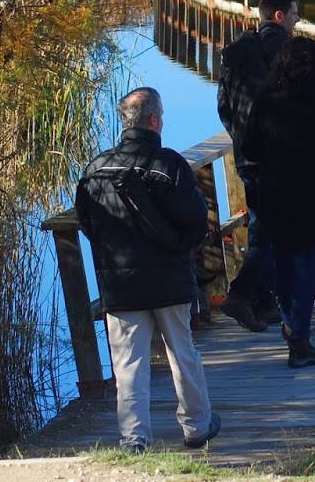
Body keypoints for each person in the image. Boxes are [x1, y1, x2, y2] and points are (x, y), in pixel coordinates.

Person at [77, 87, 221, 453]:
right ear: (155, 120)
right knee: (182, 354)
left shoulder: (95, 170)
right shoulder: (169, 165)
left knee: (128, 364)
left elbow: (88, 224)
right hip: (170, 281)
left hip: (121, 284)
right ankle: (197, 426)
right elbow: (194, 220)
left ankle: (135, 438)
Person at [243, 36, 315, 369]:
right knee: (308, 266)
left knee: (283, 263)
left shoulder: (264, 104)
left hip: (274, 192)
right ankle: (299, 342)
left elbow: (250, 150)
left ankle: (292, 322)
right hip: (312, 194)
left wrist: (276, 157)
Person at [215, 0, 299, 333]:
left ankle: (264, 303)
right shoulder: (285, 51)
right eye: (294, 14)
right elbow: (294, 104)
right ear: (278, 16)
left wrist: (241, 137)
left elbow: (223, 107)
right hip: (277, 158)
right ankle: (241, 294)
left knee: (262, 225)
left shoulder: (236, 54)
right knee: (270, 231)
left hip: (246, 156)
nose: (297, 21)